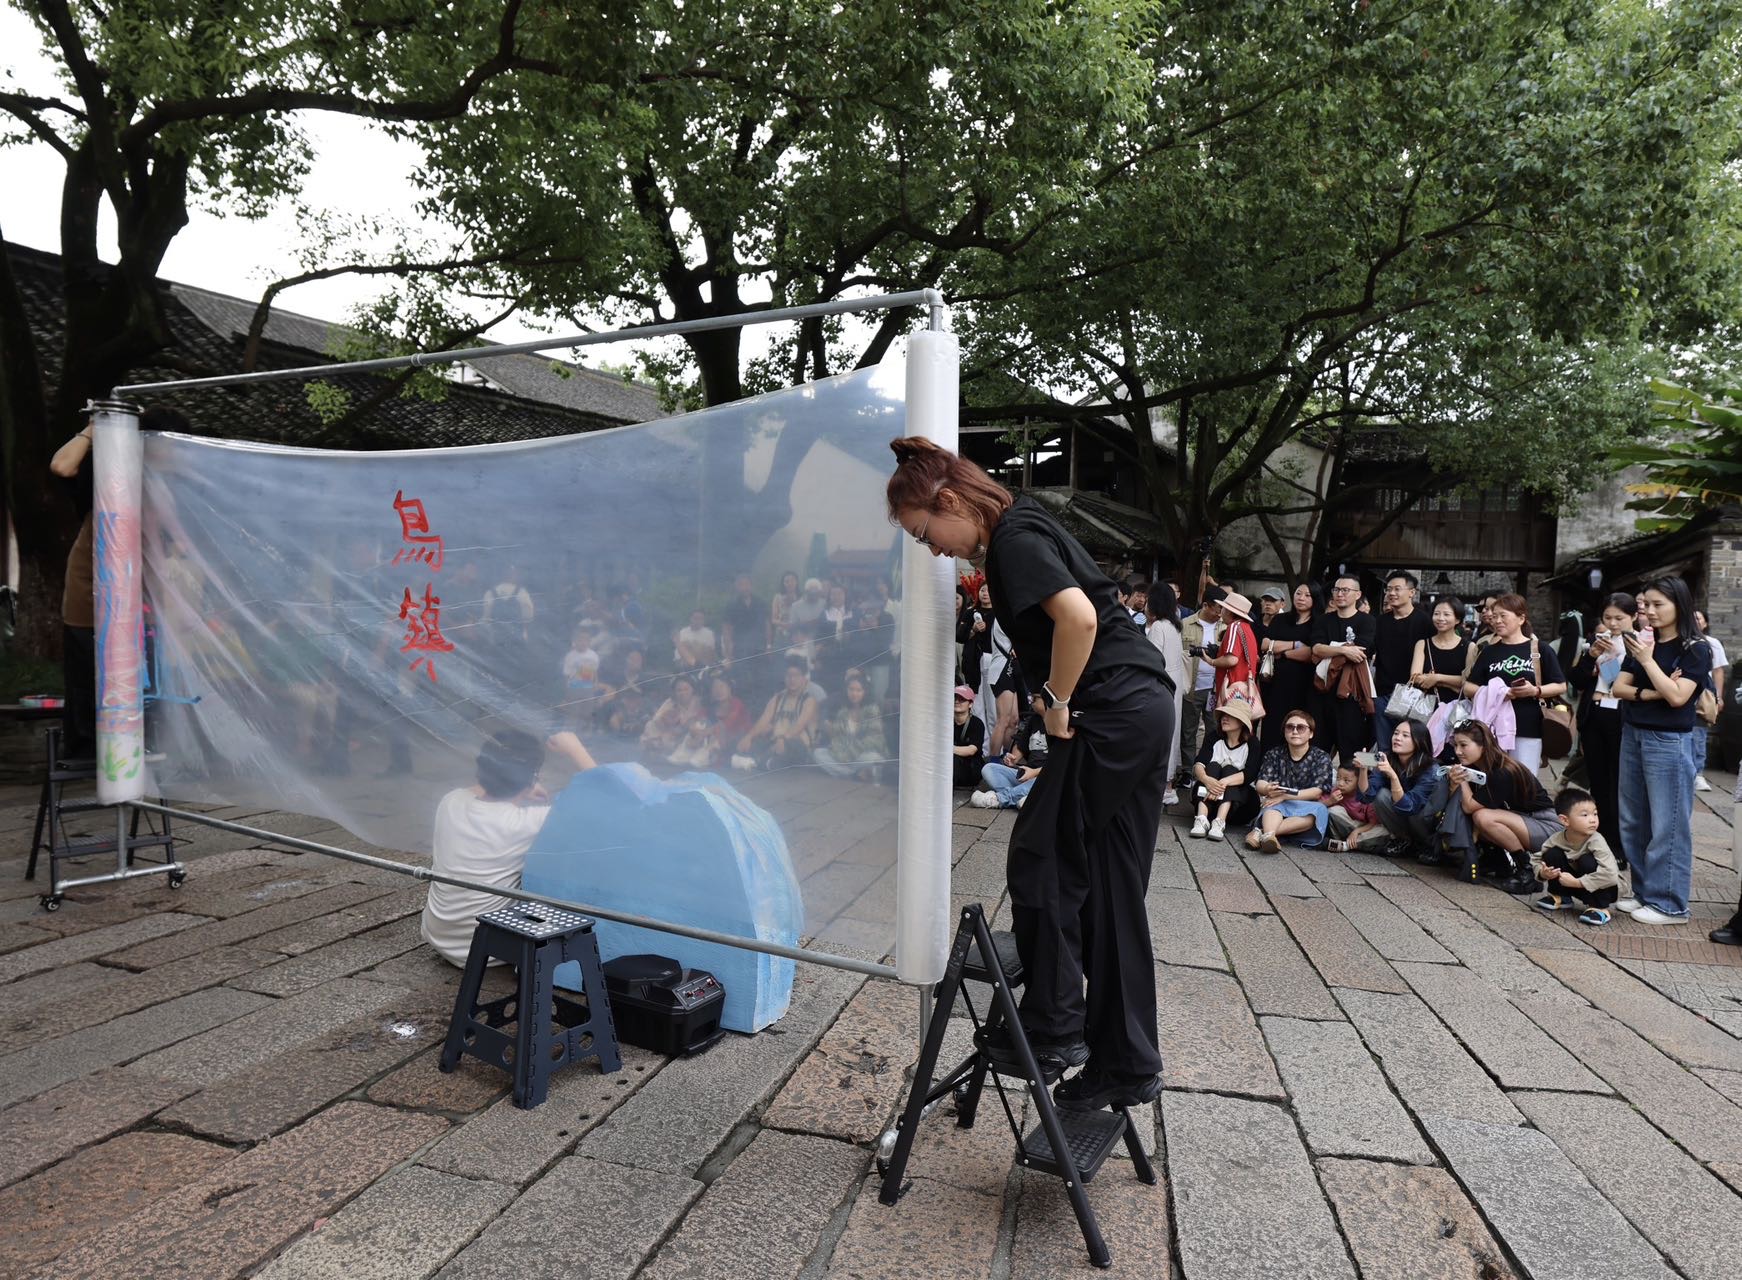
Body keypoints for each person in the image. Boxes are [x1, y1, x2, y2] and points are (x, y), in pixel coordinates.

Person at [889, 434, 1174, 1112]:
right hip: (1145, 706)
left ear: (953, 501)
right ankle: (1126, 1064)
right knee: (1109, 890)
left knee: (1041, 857)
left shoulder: (1013, 541)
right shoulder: (1027, 517)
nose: (932, 550)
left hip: (1109, 708)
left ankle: (1052, 1029)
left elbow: (1076, 617)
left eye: (926, 533)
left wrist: (1058, 702)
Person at [422, 729, 599, 965]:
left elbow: (479, 793)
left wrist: (523, 788)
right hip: (488, 949)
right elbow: (609, 795)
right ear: (532, 776)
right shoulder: (529, 822)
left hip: (438, 935)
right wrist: (575, 748)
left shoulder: (451, 801)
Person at [1611, 576, 1711, 926]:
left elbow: (1679, 697)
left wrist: (1649, 664)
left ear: (1678, 606)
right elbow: (1618, 687)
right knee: (1633, 819)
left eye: (1657, 605)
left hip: (1669, 740)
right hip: (1634, 733)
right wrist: (1649, 691)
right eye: (1646, 605)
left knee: (1667, 824)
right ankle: (1643, 892)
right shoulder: (1641, 642)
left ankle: (1669, 904)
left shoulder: (1696, 648)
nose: (1649, 612)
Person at [1440, 719, 1555, 893]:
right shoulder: (1480, 767)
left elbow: (1469, 807)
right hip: (1523, 820)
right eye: (1455, 745)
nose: (1458, 751)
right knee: (1481, 816)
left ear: (1483, 745)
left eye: (1464, 745)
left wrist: (1462, 778)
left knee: (1483, 817)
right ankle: (1496, 860)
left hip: (1547, 826)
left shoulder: (1502, 771)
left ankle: (1526, 870)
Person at [1566, 594, 1636, 868]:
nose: (1613, 623)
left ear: (1632, 617)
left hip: (1622, 718)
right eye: (1608, 618)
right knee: (1598, 780)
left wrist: (1623, 659)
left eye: (1619, 618)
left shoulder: (1639, 644)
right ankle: (1601, 839)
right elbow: (1576, 680)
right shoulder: (1596, 643)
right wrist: (1591, 655)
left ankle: (1620, 845)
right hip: (1594, 716)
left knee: (1619, 783)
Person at [1462, 593, 1565, 773]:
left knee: (1524, 780)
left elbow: (1560, 685)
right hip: (1492, 729)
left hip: (1528, 727)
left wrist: (1535, 690)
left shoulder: (1540, 649)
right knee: (1493, 779)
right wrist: (1498, 692)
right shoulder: (1488, 652)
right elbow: (1469, 687)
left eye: (1503, 616)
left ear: (1521, 618)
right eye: (1495, 617)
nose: (1497, 621)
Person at [1246, 710, 1335, 854]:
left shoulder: (1321, 757)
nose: (1294, 731)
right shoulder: (1274, 754)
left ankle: (1261, 832)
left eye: (1300, 727)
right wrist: (1268, 788)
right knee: (1273, 805)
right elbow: (1260, 783)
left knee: (1319, 811)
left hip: (1306, 804)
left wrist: (1286, 795)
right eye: (1290, 727)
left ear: (1311, 733)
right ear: (1285, 732)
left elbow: (1317, 791)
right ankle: (1269, 835)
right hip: (1278, 803)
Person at [1311, 574, 1377, 765]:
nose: (1340, 594)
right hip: (1322, 692)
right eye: (1336, 590)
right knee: (1318, 749)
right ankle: (1316, 791)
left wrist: (1329, 649)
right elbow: (1316, 649)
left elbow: (1361, 651)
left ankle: (1361, 792)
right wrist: (1342, 650)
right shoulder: (1324, 620)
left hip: (1353, 695)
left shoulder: (1367, 621)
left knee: (1355, 751)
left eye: (1345, 590)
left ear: (1358, 594)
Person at [1531, 787, 1620, 926]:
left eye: (1595, 814)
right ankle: (1561, 896)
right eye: (1585, 815)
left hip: (1602, 888)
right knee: (1552, 853)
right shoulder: (1557, 838)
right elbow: (1536, 858)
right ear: (1564, 820)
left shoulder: (1596, 840)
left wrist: (1577, 883)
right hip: (1570, 882)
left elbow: (1611, 875)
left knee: (1587, 860)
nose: (1592, 820)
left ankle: (1599, 908)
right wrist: (1543, 873)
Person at [1365, 718, 1448, 858]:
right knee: (1381, 796)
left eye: (1405, 735)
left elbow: (1410, 806)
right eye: (1396, 733)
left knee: (1415, 810)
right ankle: (1404, 840)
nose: (1397, 738)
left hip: (1426, 821)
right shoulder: (1389, 759)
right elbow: (1367, 796)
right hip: (1407, 815)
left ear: (1419, 741)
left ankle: (1430, 847)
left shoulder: (1430, 769)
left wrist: (1393, 776)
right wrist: (1362, 771)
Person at [1260, 583, 1322, 760]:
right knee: (1272, 728)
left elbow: (1310, 653)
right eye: (1298, 593)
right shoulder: (1281, 619)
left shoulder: (1318, 622)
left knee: (1297, 729)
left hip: (1304, 685)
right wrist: (1295, 645)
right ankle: (1267, 769)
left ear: (1315, 599)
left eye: (1307, 595)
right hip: (1275, 684)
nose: (1301, 598)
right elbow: (1264, 645)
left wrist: (1281, 652)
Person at [1372, 571, 1434, 746]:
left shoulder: (1425, 622)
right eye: (1389, 589)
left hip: (1414, 695)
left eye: (1397, 589)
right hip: (1384, 693)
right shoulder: (1380, 621)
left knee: (1412, 746)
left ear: (1412, 592)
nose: (1391, 593)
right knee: (1385, 746)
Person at [734, 656, 821, 771]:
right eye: (789, 675)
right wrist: (749, 737)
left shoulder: (809, 700)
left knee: (786, 746)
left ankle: (761, 761)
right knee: (744, 741)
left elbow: (798, 727)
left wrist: (783, 739)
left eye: (796, 675)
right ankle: (763, 761)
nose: (792, 679)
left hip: (799, 747)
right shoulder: (778, 698)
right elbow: (763, 721)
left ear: (804, 678)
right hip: (776, 743)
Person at [1188, 700, 1258, 842]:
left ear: (1241, 722)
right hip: (1208, 800)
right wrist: (1208, 781)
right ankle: (1201, 819)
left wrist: (1221, 783)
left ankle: (1220, 822)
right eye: (1223, 715)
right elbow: (1198, 765)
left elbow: (1250, 774)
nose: (1224, 718)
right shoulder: (1214, 737)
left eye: (1230, 715)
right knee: (1212, 766)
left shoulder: (1252, 743)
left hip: (1239, 806)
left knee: (1230, 769)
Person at [1145, 582, 1187, 806]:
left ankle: (1159, 783)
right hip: (1175, 686)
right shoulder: (1174, 626)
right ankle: (1168, 784)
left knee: (1158, 735)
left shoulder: (1158, 627)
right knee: (1172, 734)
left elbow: (1151, 662)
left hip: (1160, 687)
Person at [973, 692, 1050, 809]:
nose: (1031, 700)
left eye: (1035, 697)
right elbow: (1021, 746)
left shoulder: (1060, 724)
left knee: (1044, 780)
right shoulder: (1034, 720)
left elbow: (1060, 764)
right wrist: (1012, 758)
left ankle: (999, 799)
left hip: (1046, 775)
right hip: (1026, 774)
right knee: (989, 768)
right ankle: (1025, 797)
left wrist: (1034, 773)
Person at [814, 672, 888, 782]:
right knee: (819, 753)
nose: (854, 694)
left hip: (862, 755)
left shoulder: (872, 709)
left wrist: (848, 754)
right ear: (846, 690)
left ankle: (842, 772)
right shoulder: (843, 711)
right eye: (851, 689)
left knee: (875, 758)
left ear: (865, 692)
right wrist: (833, 735)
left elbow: (874, 740)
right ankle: (852, 775)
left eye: (858, 690)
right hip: (845, 757)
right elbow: (837, 739)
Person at [1180, 591, 1224, 766]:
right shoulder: (1185, 624)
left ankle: (1206, 768)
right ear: (1205, 605)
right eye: (1218, 609)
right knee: (1188, 732)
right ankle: (1187, 771)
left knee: (1214, 731)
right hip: (1191, 687)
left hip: (1215, 688)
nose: (1221, 614)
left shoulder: (1225, 626)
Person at [1409, 596, 1470, 714]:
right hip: (1426, 708)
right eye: (1436, 614)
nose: (1440, 618)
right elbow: (1415, 677)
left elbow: (1468, 681)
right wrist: (1452, 682)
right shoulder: (1422, 644)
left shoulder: (1468, 647)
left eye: (1446, 614)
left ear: (1457, 619)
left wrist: (1437, 678)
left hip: (1457, 709)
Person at [1211, 591, 1262, 728]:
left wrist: (1212, 661)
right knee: (1241, 730)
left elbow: (1232, 659)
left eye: (1223, 608)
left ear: (1229, 611)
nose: (1221, 611)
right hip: (1245, 688)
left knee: (1229, 729)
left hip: (1233, 688)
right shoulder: (1247, 628)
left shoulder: (1234, 627)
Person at [1692, 609, 1727, 791]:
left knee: (1699, 735)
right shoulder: (1681, 640)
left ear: (1705, 623)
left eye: (1698, 618)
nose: (1695, 621)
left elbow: (1718, 671)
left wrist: (1718, 696)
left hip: (1703, 694)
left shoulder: (1713, 643)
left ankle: (1698, 774)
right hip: (1681, 691)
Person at [642, 673, 708, 760]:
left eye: (686, 689)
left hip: (688, 734)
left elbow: (700, 722)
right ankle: (657, 746)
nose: (683, 693)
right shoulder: (670, 702)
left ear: (692, 689)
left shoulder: (699, 702)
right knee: (650, 725)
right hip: (671, 733)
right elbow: (657, 719)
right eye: (679, 690)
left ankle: (661, 747)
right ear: (674, 692)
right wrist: (665, 721)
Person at [721, 574, 764, 663]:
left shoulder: (760, 603)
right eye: (741, 585)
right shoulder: (731, 605)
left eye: (747, 584)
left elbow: (767, 625)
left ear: (751, 586)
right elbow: (726, 629)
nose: (745, 587)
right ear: (737, 587)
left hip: (758, 647)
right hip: (738, 647)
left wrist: (768, 646)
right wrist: (728, 653)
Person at [952, 684, 987, 788]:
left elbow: (971, 750)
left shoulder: (976, 723)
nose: (957, 701)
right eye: (954, 698)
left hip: (970, 769)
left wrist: (946, 749)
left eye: (962, 699)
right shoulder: (945, 721)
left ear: (970, 704)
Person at [770, 570, 801, 647]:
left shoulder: (802, 598)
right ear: (783, 583)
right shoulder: (777, 597)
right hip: (781, 635)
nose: (790, 583)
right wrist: (784, 624)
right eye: (787, 581)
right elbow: (773, 620)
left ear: (796, 582)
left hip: (797, 635)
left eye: (792, 580)